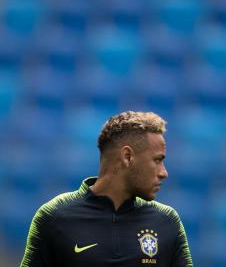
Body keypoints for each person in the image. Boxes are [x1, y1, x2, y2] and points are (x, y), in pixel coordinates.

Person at [20, 111, 193, 267]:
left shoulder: (167, 222)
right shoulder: (53, 217)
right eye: (157, 160)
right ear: (127, 156)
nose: (164, 173)